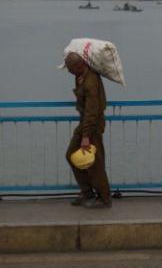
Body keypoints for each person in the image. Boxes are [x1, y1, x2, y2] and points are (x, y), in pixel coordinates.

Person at [63, 52, 112, 209]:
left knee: (95, 163)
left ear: (79, 66)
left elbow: (92, 111)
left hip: (92, 126)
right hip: (85, 123)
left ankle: (104, 198)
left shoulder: (90, 82)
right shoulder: (81, 76)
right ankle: (87, 192)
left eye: (71, 70)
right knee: (71, 155)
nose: (69, 72)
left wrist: (86, 136)